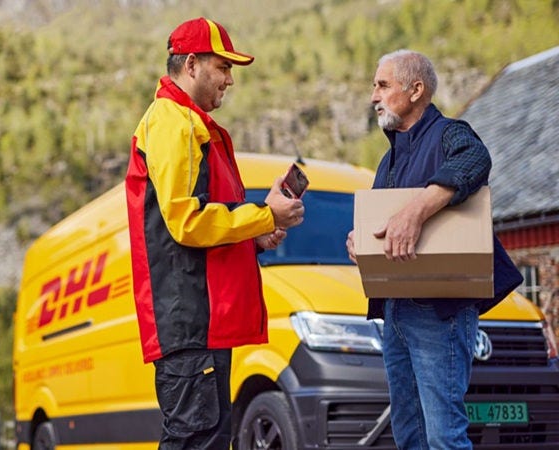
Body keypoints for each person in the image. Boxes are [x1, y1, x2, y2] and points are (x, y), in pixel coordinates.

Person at [125, 17, 304, 449]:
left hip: (198, 324)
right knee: (196, 439)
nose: (230, 80)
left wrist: (255, 236)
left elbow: (198, 219)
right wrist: (263, 216)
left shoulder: (184, 122)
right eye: (223, 67)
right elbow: (187, 221)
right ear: (191, 65)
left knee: (202, 438)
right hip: (191, 322)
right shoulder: (174, 123)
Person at [345, 50, 523, 449]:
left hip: (440, 310)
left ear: (416, 90)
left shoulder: (450, 134)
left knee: (444, 436)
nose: (374, 95)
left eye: (383, 85)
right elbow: (383, 227)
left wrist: (416, 212)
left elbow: (477, 159)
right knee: (410, 435)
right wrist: (362, 244)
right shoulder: (387, 162)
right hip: (395, 311)